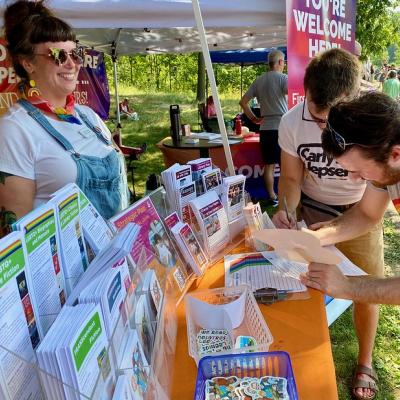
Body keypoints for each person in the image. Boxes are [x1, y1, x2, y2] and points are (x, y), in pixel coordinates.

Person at [272, 49, 384, 400]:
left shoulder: (377, 124)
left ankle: (365, 361)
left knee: (368, 286)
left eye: (331, 122)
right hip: (313, 209)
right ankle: (301, 349)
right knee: (303, 283)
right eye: (317, 119)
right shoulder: (291, 122)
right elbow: (291, 178)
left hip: (361, 207)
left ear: (352, 100)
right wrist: (288, 208)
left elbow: (371, 208)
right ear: (305, 90)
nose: (324, 130)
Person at [0, 0, 129, 229]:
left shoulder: (90, 117)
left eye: (75, 53)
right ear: (27, 63)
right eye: (58, 55)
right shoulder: (15, 129)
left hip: (119, 255)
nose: (71, 64)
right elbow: (15, 231)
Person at [300, 92, 400, 306]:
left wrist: (347, 287)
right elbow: (366, 213)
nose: (355, 179)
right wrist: (319, 237)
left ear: (395, 155)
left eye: (358, 170)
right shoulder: (388, 165)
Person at [239, 49, 288, 205]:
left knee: (269, 166)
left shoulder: (259, 80)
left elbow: (243, 102)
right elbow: (293, 93)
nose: (285, 65)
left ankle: (272, 197)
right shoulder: (284, 78)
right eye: (284, 62)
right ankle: (286, 197)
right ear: (280, 62)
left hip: (265, 127)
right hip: (282, 127)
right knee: (286, 166)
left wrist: (253, 118)